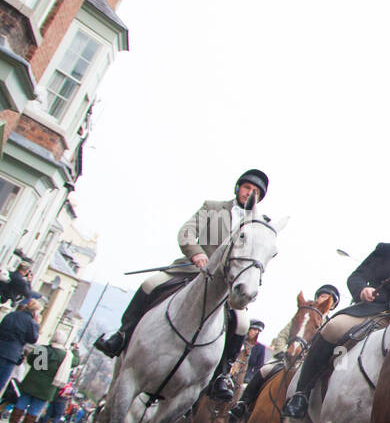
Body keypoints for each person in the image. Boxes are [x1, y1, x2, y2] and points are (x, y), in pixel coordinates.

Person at [92, 169, 271, 402]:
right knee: (150, 284)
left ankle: (221, 376)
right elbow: (187, 232)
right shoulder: (214, 207)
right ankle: (121, 335)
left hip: (226, 287)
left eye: (256, 192)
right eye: (247, 188)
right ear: (238, 188)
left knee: (241, 323)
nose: (250, 193)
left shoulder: (257, 225)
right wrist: (196, 253)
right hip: (191, 270)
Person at [279, 206, 390, 419]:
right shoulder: (385, 249)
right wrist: (361, 290)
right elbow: (355, 277)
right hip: (369, 311)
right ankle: (302, 393)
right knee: (332, 328)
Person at [230, 284, 340, 423]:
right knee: (265, 369)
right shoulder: (303, 313)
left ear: (331, 306)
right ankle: (243, 403)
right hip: (286, 357)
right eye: (322, 296)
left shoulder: (331, 324)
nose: (323, 299)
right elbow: (283, 335)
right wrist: (281, 352)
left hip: (307, 364)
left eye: (328, 299)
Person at [5, 328, 66, 423]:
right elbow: (75, 362)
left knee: (21, 404)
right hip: (46, 387)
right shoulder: (64, 355)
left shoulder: (42, 349)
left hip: (31, 381)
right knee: (35, 409)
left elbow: (30, 360)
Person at [0, 298, 41, 402]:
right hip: (11, 354)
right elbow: (33, 339)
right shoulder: (30, 322)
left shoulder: (11, 315)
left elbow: (0, 328)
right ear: (35, 312)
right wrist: (37, 325)